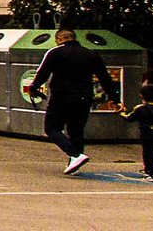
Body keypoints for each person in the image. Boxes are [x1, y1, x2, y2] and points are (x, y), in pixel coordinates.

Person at [29, 29, 123, 175]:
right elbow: (105, 78)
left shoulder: (55, 52)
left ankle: (75, 155)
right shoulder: (91, 54)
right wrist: (116, 100)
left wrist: (33, 88)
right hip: (84, 97)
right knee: (76, 130)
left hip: (61, 96)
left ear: (59, 39)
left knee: (52, 128)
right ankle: (74, 166)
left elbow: (42, 73)